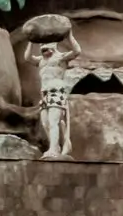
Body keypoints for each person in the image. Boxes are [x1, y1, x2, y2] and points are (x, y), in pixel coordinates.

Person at [25, 29, 81, 159]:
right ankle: (55, 146)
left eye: (46, 47)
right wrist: (31, 41)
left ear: (53, 46)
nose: (44, 50)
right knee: (45, 123)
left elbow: (77, 51)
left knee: (53, 121)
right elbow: (27, 57)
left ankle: (53, 150)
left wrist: (70, 35)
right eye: (42, 48)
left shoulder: (60, 58)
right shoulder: (41, 61)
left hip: (57, 93)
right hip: (45, 94)